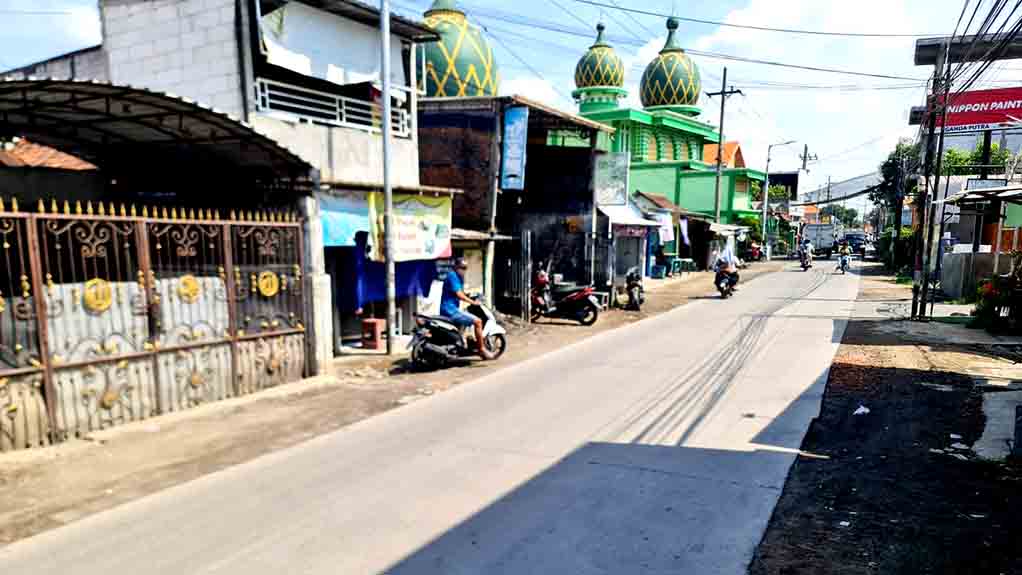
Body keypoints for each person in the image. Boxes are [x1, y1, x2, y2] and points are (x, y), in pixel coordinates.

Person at [441, 258, 494, 359]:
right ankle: (482, 349)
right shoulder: (453, 276)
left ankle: (463, 343)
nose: (464, 270)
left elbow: (460, 292)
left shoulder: (457, 277)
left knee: (466, 318)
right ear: (456, 267)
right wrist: (473, 302)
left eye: (465, 268)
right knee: (478, 321)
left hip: (451, 309)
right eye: (462, 268)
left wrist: (471, 295)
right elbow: (459, 294)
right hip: (450, 310)